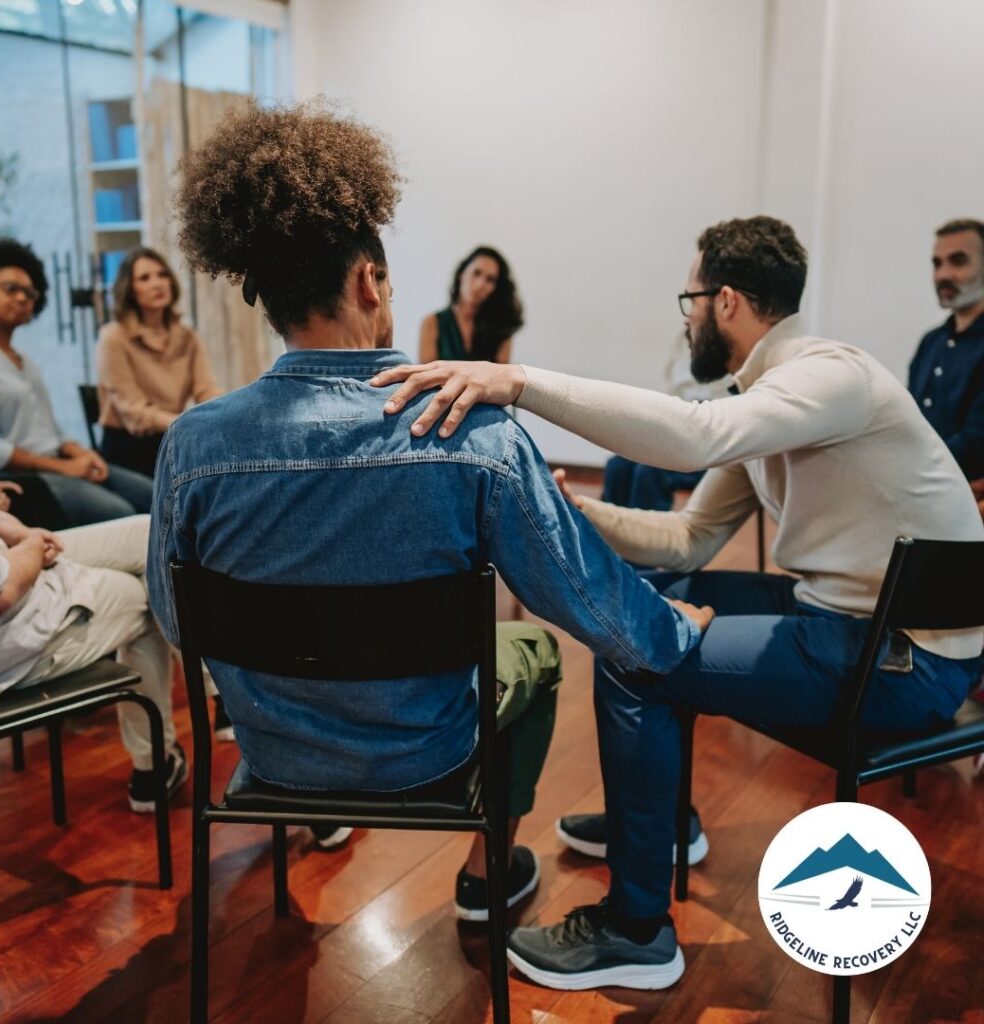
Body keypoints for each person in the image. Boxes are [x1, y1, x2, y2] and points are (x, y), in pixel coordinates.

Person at [373, 215, 984, 988]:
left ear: (725, 300)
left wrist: (519, 382)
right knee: (651, 603)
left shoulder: (831, 375)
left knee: (638, 652)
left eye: (689, 299)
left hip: (908, 663)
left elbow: (693, 437)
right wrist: (581, 512)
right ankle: (659, 828)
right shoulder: (771, 395)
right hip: (847, 624)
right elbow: (690, 538)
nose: (687, 316)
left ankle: (637, 932)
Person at [146, 101, 712, 919]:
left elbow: (174, 618)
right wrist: (675, 626)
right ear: (368, 280)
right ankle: (491, 868)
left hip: (273, 755)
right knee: (536, 650)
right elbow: (586, 600)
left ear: (266, 301)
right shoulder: (469, 432)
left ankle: (330, 808)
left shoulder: (192, 447)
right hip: (426, 753)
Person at [0, 447, 184, 812]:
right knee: (151, 592)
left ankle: (208, 708)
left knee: (149, 535)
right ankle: (156, 763)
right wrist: (30, 544)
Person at [0, 240, 154, 526]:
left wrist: (84, 454)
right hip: (15, 479)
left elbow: (52, 432)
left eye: (30, 292)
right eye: (11, 289)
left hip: (55, 464)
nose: (23, 298)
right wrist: (65, 468)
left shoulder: (25, 362)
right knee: (121, 514)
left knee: (157, 495)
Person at [96, 247, 222, 478]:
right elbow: (133, 413)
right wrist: (188, 425)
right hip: (128, 449)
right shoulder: (113, 337)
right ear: (130, 290)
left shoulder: (188, 336)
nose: (157, 283)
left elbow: (207, 390)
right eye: (145, 278)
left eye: (162, 275)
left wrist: (226, 414)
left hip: (172, 440)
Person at [602, 333, 731, 511]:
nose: (687, 314)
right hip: (681, 425)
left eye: (692, 304)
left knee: (648, 472)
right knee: (618, 466)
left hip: (713, 444)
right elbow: (673, 392)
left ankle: (642, 537)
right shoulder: (685, 340)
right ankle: (603, 536)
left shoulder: (734, 340)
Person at [908, 218, 984, 498]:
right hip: (923, 495)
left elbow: (977, 443)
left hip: (969, 511)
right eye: (937, 263)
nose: (943, 274)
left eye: (958, 261)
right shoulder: (931, 343)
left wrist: (908, 468)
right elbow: (910, 421)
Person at [418, 247, 523, 364]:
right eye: (476, 273)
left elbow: (502, 379)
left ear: (495, 289)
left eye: (490, 280)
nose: (480, 284)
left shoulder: (502, 328)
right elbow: (425, 377)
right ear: (462, 274)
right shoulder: (432, 323)